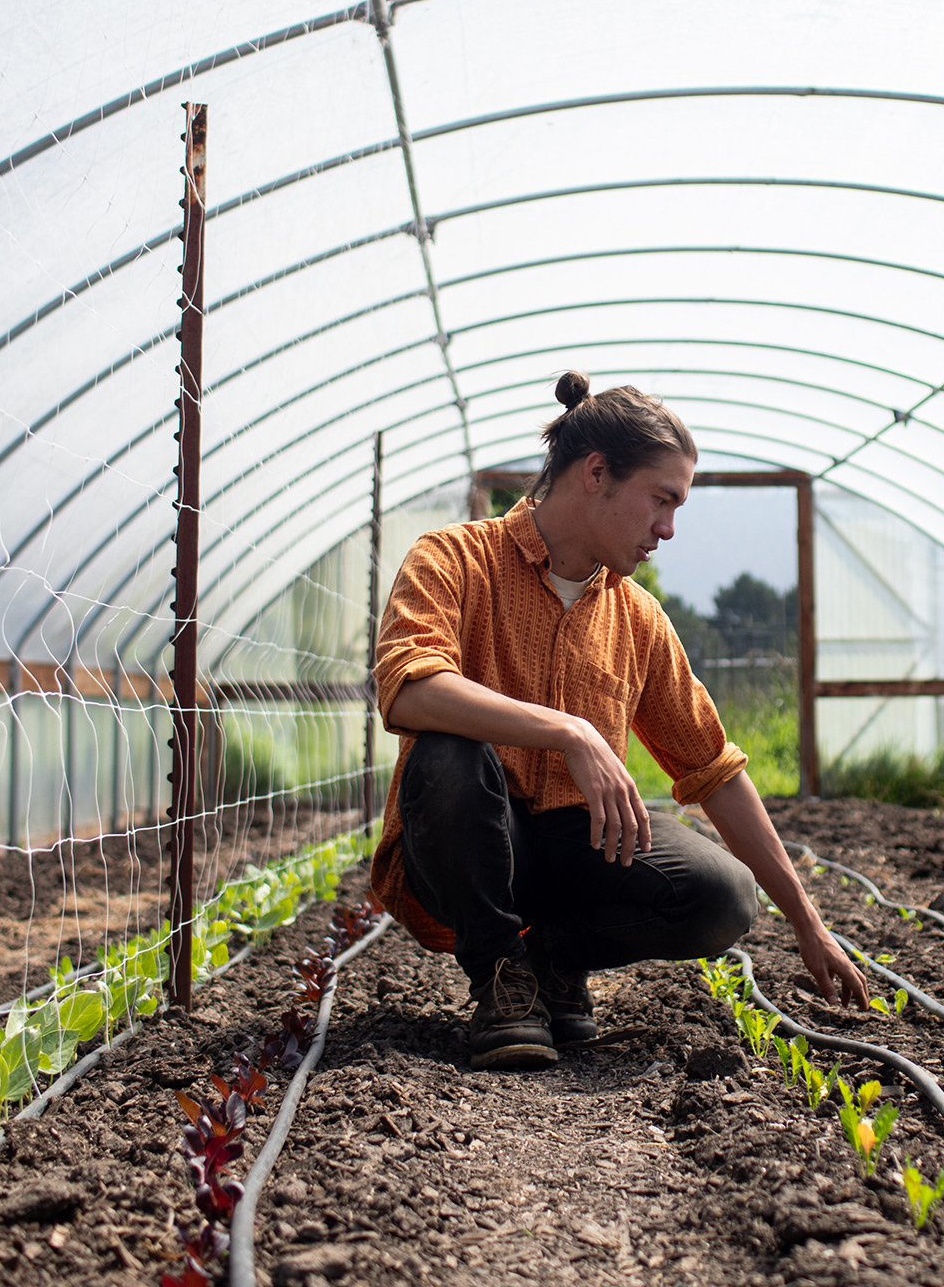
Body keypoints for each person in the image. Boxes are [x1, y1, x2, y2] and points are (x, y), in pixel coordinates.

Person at [370, 371, 870, 1067]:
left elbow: (713, 768)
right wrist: (565, 729)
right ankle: (501, 978)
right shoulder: (455, 559)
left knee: (722, 896)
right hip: (470, 842)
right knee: (448, 754)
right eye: (661, 500)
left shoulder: (637, 619)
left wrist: (809, 924)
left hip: (576, 851)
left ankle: (550, 959)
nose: (667, 529)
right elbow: (407, 689)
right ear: (597, 473)